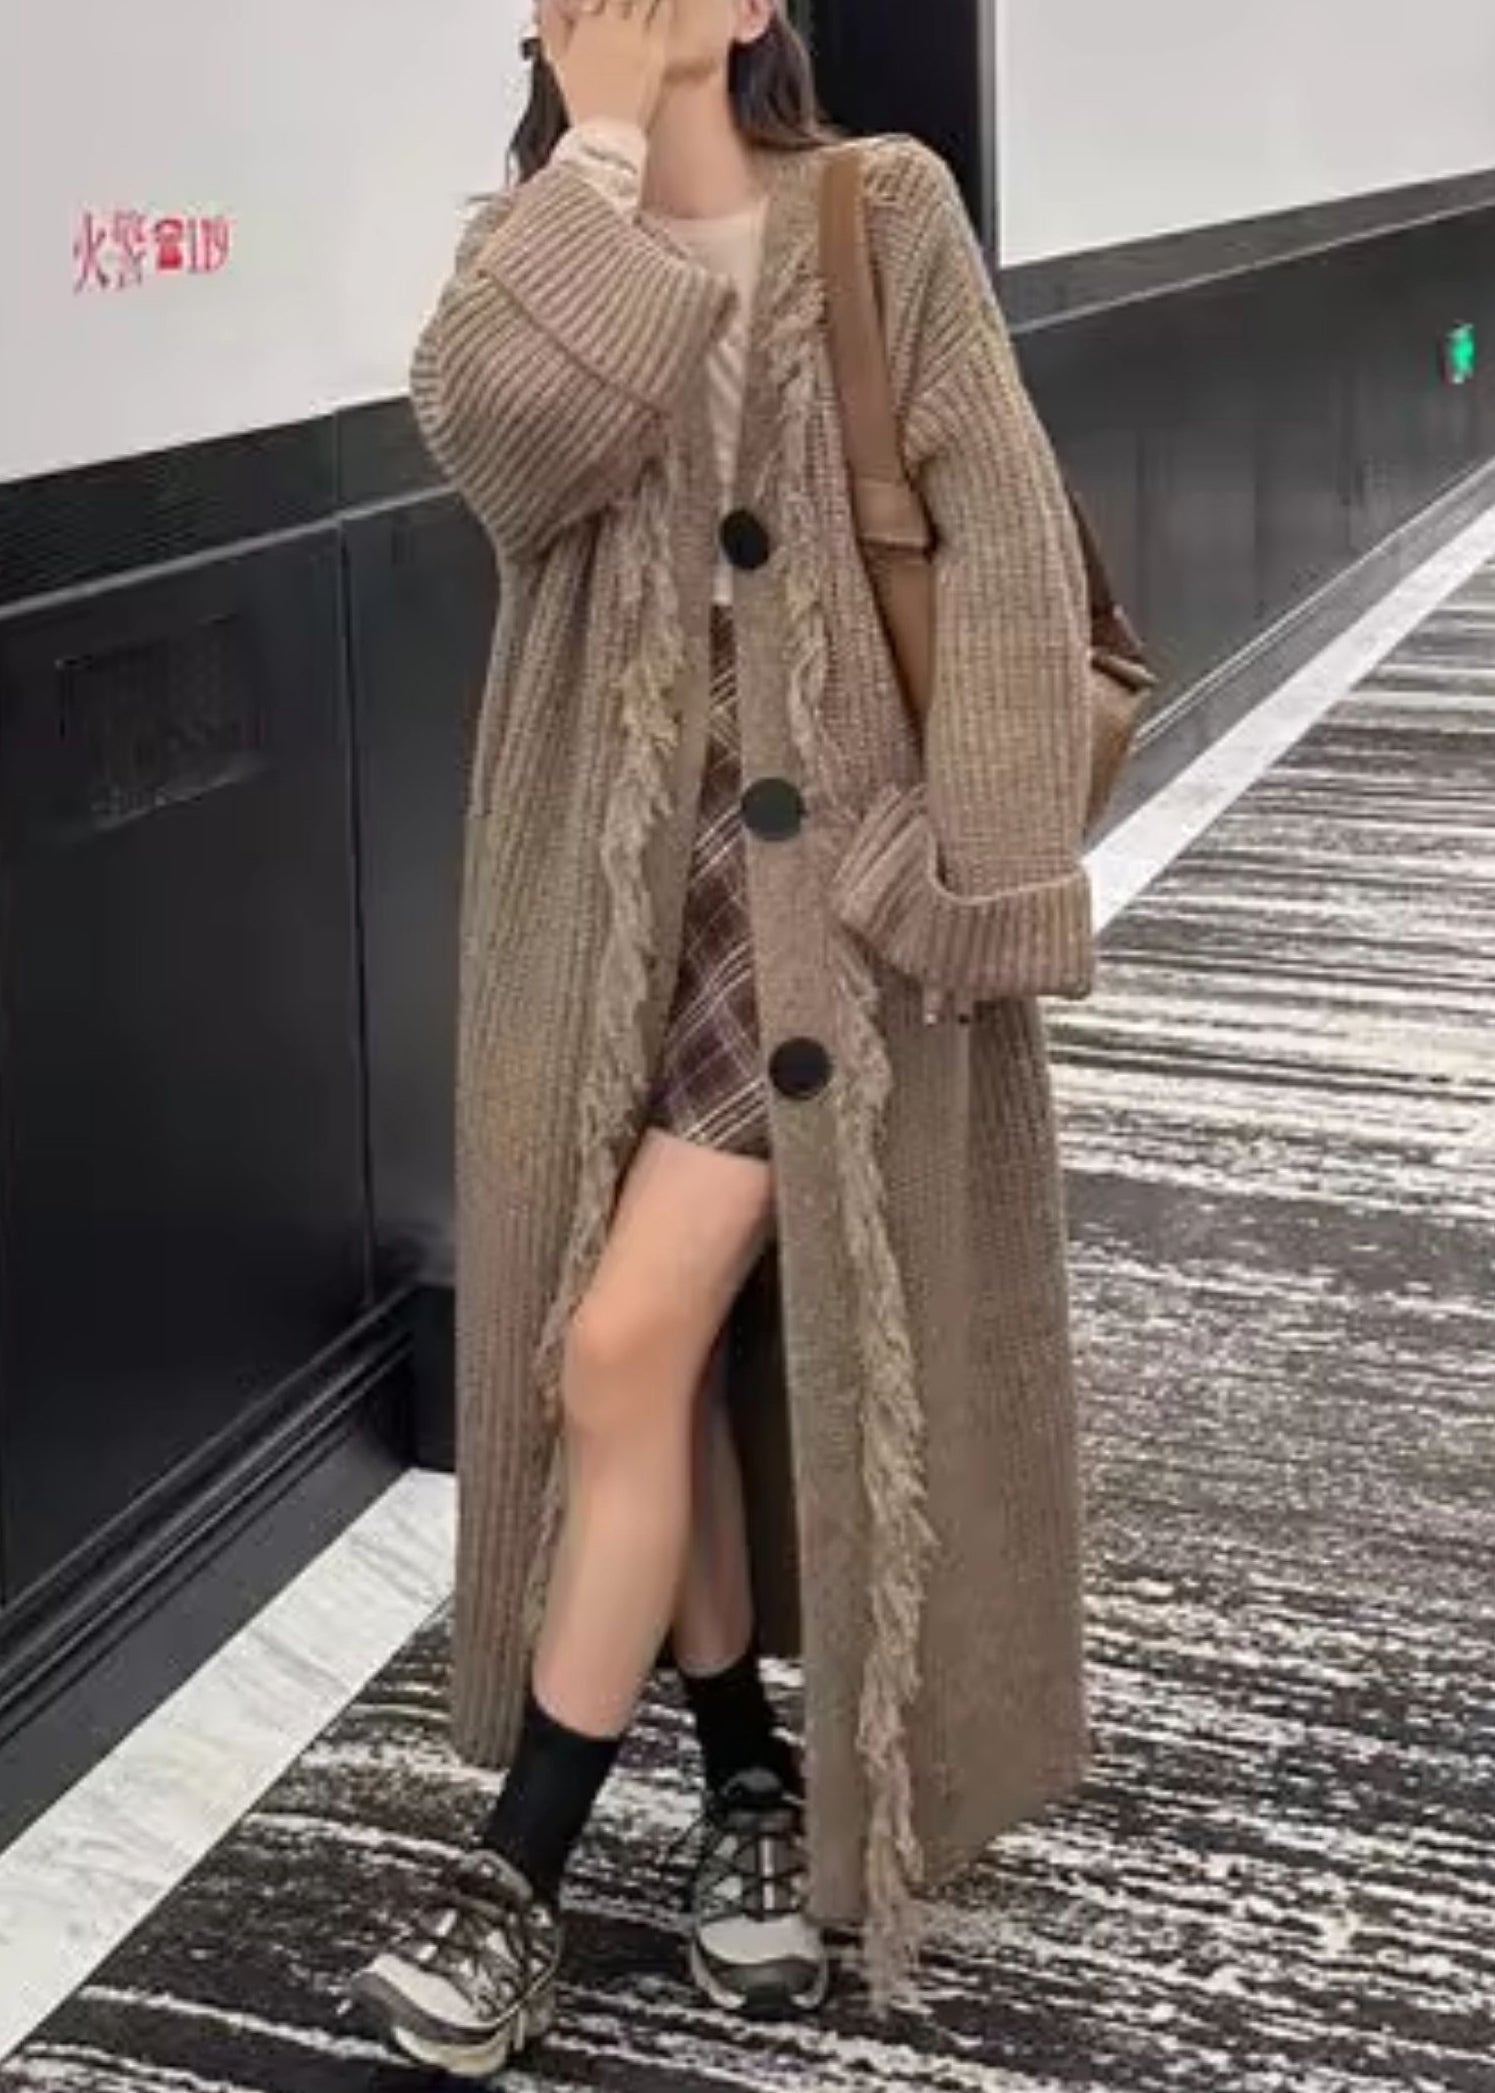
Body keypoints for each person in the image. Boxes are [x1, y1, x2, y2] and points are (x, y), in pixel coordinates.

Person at [353, 0, 1101, 2078]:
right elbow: (508, 457)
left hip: (824, 904)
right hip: (595, 904)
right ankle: (748, 1788)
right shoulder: (533, 239)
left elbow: (1008, 539)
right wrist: (594, 153)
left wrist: (969, 878)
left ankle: (515, 1876)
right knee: (641, 1359)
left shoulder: (879, 209)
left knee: (614, 1350)